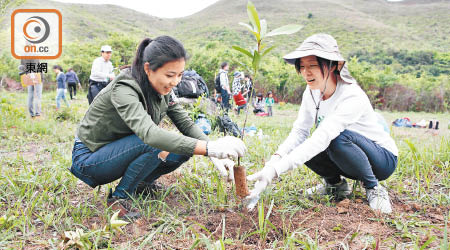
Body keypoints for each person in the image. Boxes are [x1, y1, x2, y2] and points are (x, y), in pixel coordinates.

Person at [70, 36, 247, 218]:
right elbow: (150, 135)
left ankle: (141, 183)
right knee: (156, 142)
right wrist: (209, 149)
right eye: (170, 75)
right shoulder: (125, 87)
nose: (175, 82)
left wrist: (212, 149)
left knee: (185, 148)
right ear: (148, 68)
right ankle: (119, 199)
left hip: (120, 151)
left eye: (180, 75)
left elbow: (185, 122)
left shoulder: (162, 90)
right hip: (91, 159)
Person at [246, 34, 398, 214]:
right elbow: (300, 131)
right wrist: (273, 163)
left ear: (335, 66)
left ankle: (374, 188)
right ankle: (335, 185)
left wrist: (276, 171)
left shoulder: (351, 95)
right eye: (302, 66)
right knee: (306, 142)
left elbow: (324, 136)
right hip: (346, 157)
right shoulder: (311, 92)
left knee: (335, 138)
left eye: (313, 66)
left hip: (381, 159)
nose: (306, 72)